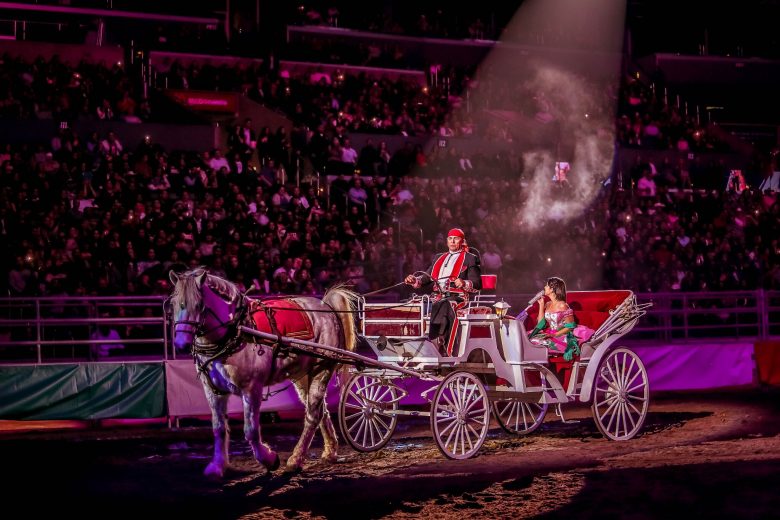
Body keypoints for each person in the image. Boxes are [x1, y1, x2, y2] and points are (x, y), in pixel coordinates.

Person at [404, 228, 482, 356]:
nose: (452, 241)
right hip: (437, 298)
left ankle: (443, 346)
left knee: (445, 304)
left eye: (455, 238)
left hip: (458, 298)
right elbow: (427, 277)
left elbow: (477, 284)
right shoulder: (438, 257)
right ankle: (414, 346)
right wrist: (414, 280)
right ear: (446, 241)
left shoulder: (470, 258)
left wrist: (463, 283)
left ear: (462, 241)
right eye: (450, 238)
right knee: (412, 304)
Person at [528, 277, 594, 361]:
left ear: (552, 289)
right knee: (530, 339)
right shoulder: (548, 304)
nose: (544, 287)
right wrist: (541, 305)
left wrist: (554, 335)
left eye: (546, 285)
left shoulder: (563, 305)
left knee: (539, 342)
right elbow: (540, 324)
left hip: (560, 334)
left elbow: (570, 327)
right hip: (549, 332)